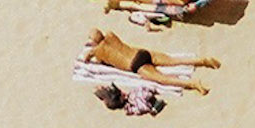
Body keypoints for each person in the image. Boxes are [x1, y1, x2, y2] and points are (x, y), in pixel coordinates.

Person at [82, 28, 219, 94]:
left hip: (135, 64)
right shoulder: (111, 34)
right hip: (141, 52)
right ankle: (202, 60)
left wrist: (92, 52)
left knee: (163, 79)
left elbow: (88, 59)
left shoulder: (96, 51)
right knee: (173, 60)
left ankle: (193, 83)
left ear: (93, 41)